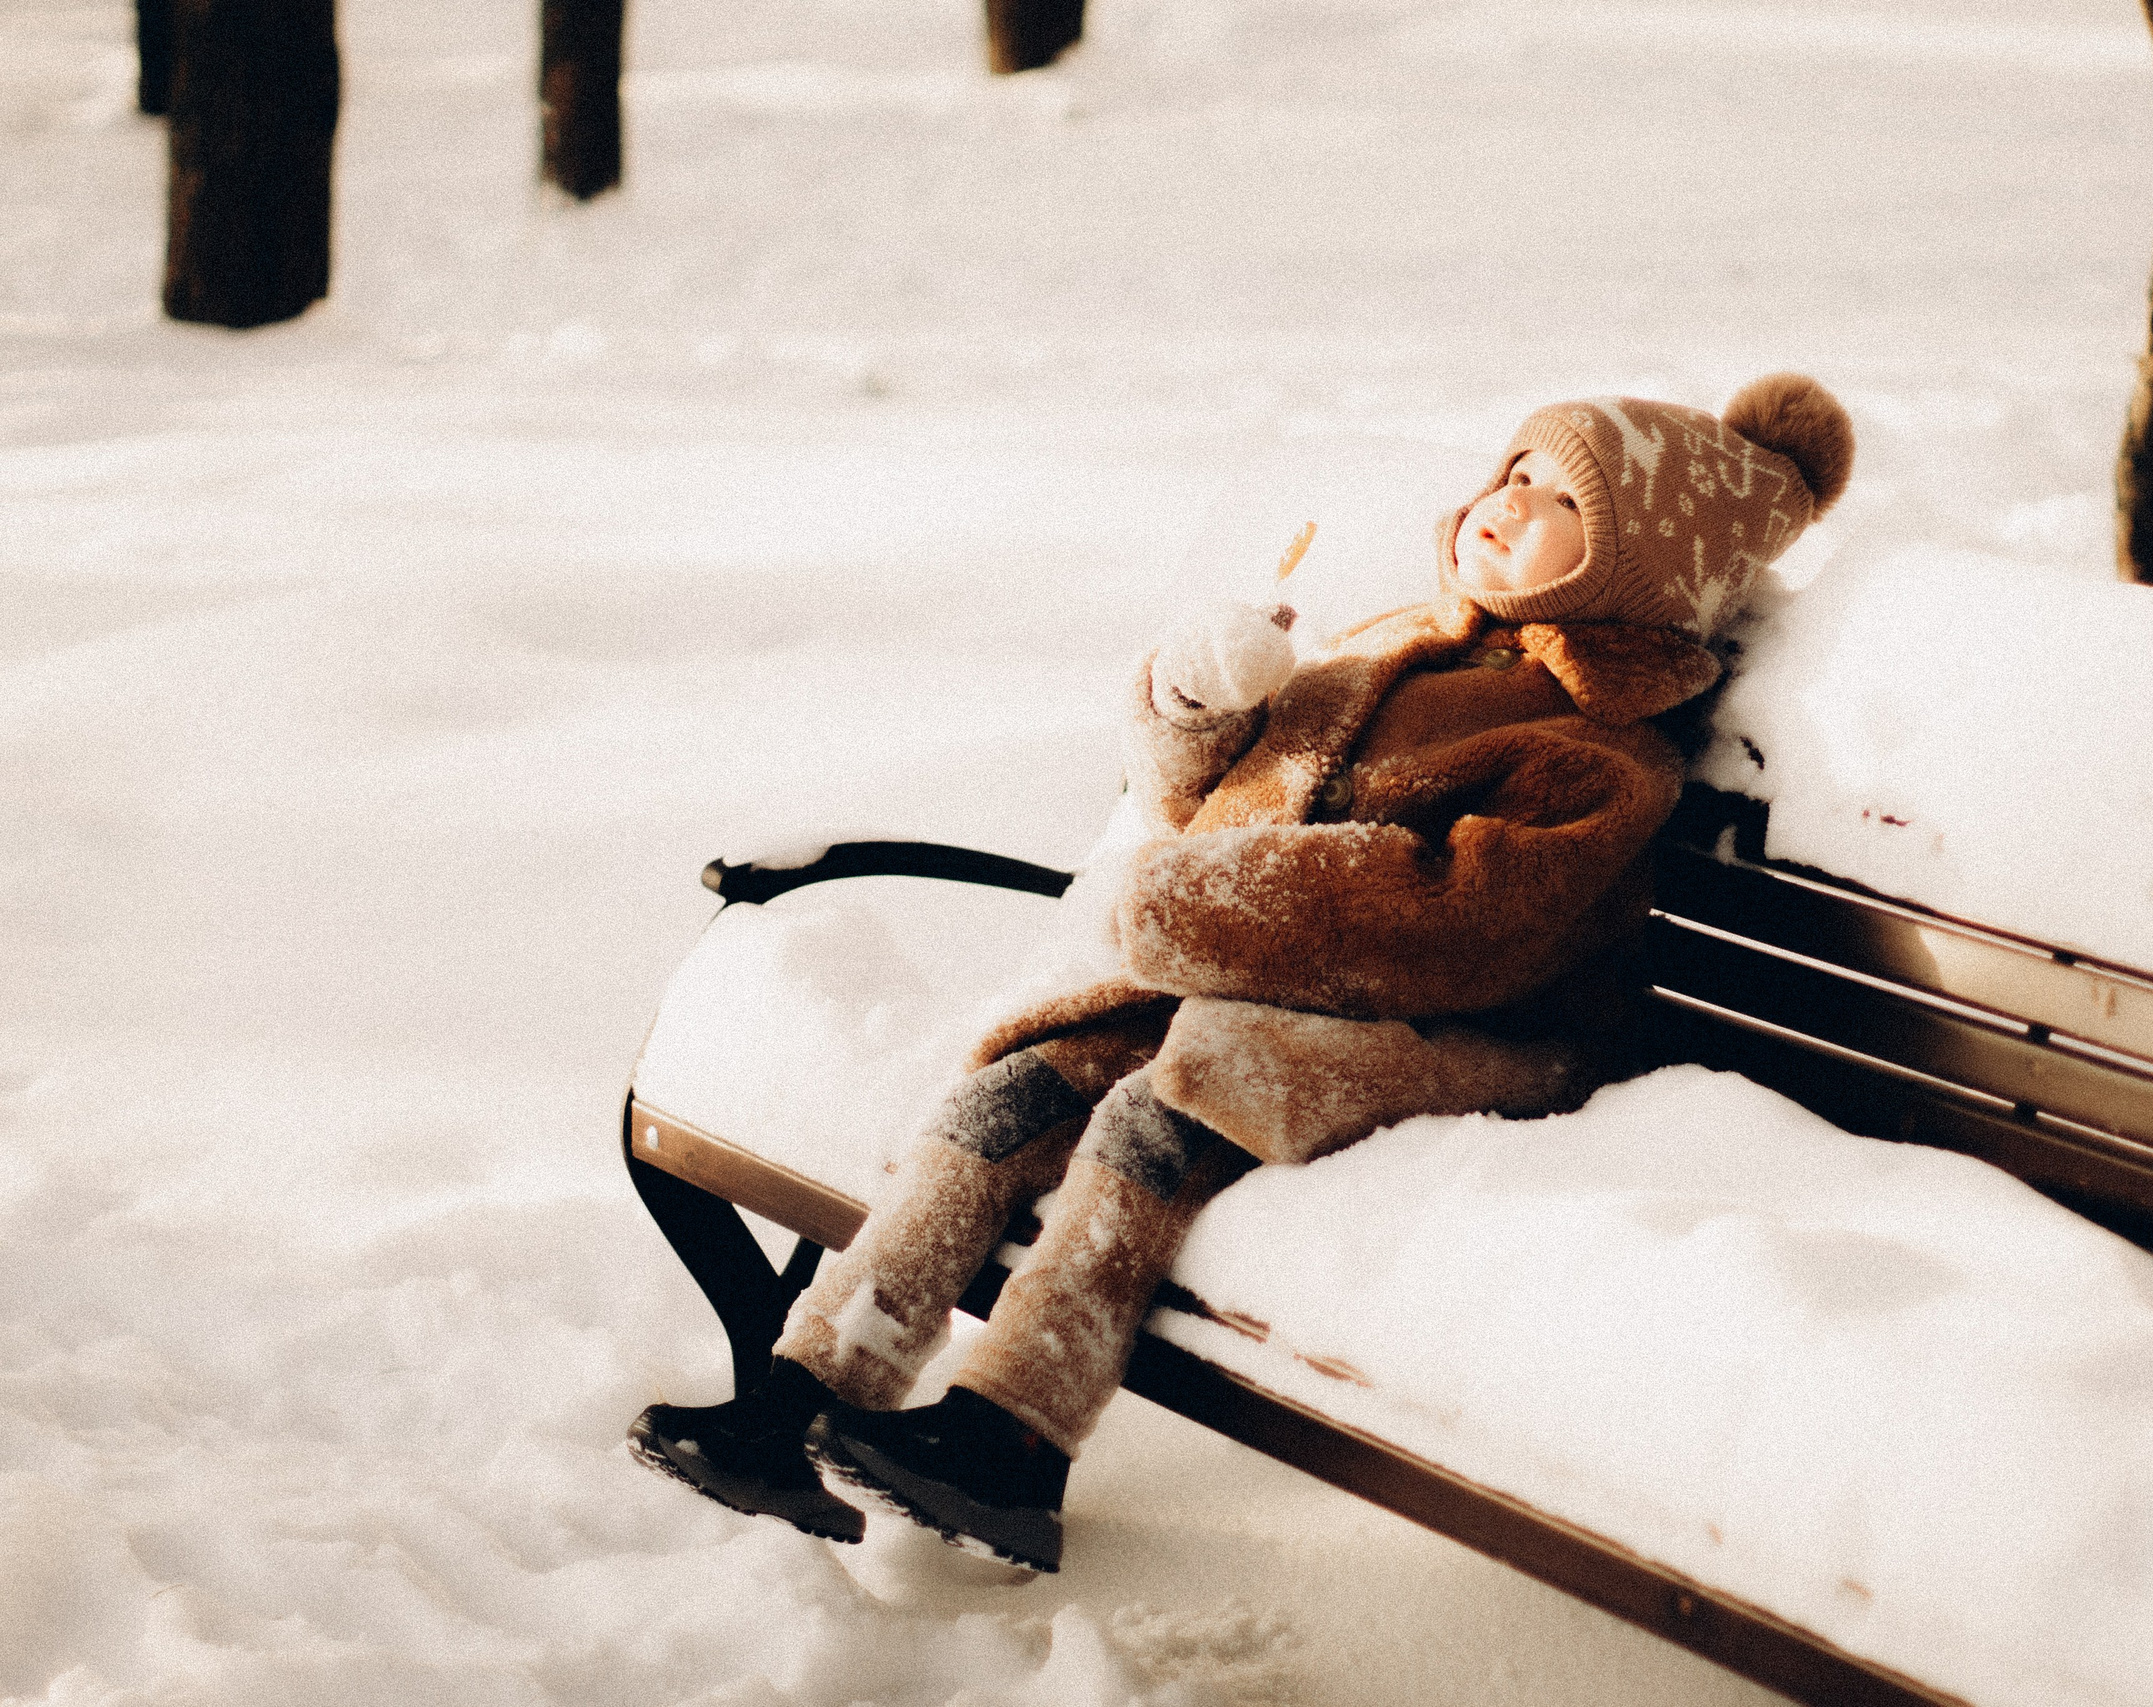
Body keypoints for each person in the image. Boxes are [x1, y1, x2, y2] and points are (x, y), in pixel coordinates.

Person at [628, 377, 1855, 1570]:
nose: (1511, 500)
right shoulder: (1400, 650)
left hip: (1464, 1039)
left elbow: (1457, 926)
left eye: (1567, 506)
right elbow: (1201, 807)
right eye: (1517, 471)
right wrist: (1196, 709)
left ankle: (1014, 1433)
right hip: (1245, 980)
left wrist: (1198, 907)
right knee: (1013, 1095)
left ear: (1639, 574)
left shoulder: (1594, 753)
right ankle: (806, 1391)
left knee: (1163, 1112)